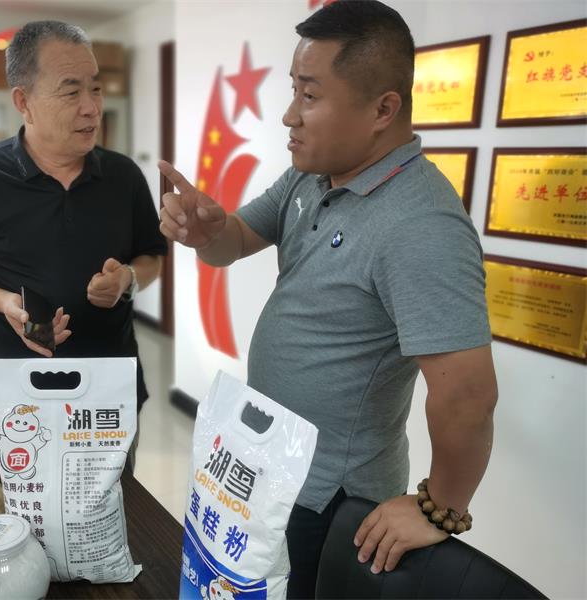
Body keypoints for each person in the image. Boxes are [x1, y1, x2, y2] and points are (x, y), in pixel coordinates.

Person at [158, 1, 497, 597]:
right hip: (267, 464)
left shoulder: (421, 225)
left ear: (383, 109)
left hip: (329, 497)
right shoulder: (311, 175)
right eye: (294, 90)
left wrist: (440, 508)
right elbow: (235, 241)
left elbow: (467, 394)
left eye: (309, 95)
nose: (289, 114)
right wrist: (206, 231)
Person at [0, 21, 167, 443]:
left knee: (116, 487)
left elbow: (151, 258)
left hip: (108, 389)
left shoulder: (123, 176)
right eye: (71, 92)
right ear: (24, 102)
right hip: (18, 394)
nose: (91, 107)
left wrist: (127, 279)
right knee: (22, 486)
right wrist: (3, 301)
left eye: (95, 88)